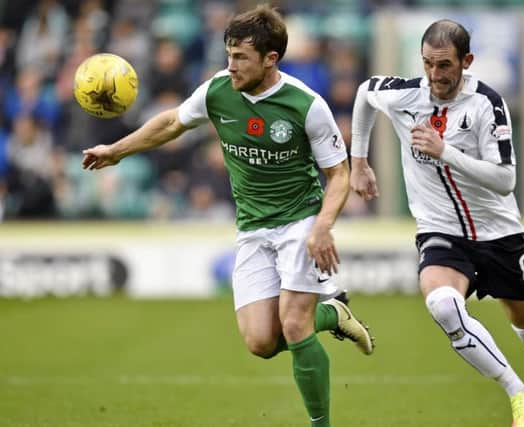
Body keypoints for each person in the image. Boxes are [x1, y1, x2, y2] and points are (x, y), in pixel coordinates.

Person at [81, 5, 374, 427]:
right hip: (253, 228)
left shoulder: (306, 104)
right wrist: (116, 151)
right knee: (260, 341)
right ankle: (334, 314)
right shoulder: (218, 90)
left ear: (271, 59)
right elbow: (170, 123)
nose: (230, 66)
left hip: (300, 220)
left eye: (241, 58)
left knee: (293, 325)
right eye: (229, 54)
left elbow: (339, 173)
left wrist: (323, 227)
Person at [350, 19, 524, 427]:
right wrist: (359, 163)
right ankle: (519, 393)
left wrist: (445, 151)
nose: (434, 75)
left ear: (466, 61)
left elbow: (505, 180)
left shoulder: (487, 103)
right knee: (442, 305)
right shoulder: (404, 93)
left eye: (444, 65)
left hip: (498, 232)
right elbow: (363, 94)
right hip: (440, 230)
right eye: (428, 63)